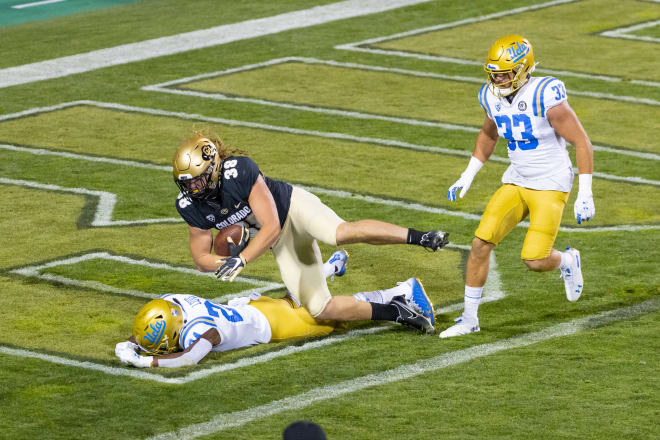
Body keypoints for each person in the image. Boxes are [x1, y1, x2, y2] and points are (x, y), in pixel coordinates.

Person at [171, 132, 448, 334]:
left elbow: (271, 226)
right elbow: (200, 258)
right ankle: (397, 309)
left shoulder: (239, 171)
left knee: (339, 233)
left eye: (198, 178)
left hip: (293, 208)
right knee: (319, 308)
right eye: (187, 182)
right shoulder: (189, 205)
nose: (193, 187)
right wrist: (224, 262)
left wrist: (241, 260)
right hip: (280, 242)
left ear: (215, 168)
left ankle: (420, 236)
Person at [440, 35, 595, 338]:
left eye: (504, 73)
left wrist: (585, 192)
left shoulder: (544, 94)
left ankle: (567, 260)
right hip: (518, 179)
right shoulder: (490, 95)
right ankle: (470, 320)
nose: (498, 78)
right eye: (494, 73)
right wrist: (468, 174)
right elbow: (488, 135)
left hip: (550, 182)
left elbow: (581, 141)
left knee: (535, 260)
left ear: (523, 69)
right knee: (480, 243)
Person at [114, 252, 432, 368]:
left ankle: (401, 296)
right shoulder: (174, 300)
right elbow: (159, 322)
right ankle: (329, 267)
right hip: (257, 308)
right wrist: (133, 341)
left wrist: (146, 361)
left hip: (274, 325)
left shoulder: (199, 332)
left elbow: (187, 357)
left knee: (331, 312)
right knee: (294, 299)